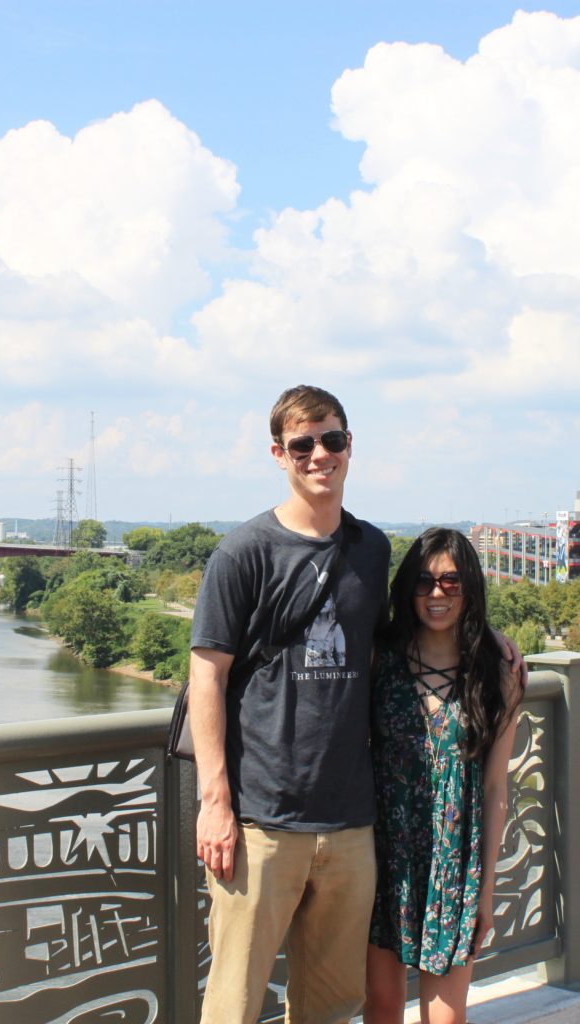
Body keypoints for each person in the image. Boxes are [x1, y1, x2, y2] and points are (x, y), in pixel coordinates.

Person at [189, 385, 391, 1023]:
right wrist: (215, 803)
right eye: (302, 444)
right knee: (234, 1005)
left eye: (331, 439)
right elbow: (206, 679)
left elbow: (415, 627)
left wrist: (491, 640)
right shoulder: (243, 552)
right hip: (261, 822)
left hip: (351, 820)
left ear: (349, 446)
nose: (319, 455)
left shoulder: (372, 549)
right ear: (279, 454)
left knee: (332, 1007)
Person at [363, 528, 524, 1024]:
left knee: (447, 1017)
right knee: (384, 1008)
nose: (437, 595)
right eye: (424, 582)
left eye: (452, 583)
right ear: (406, 588)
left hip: (455, 863)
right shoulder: (379, 659)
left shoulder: (495, 670)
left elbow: (496, 789)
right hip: (384, 856)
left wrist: (487, 889)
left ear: (471, 589)